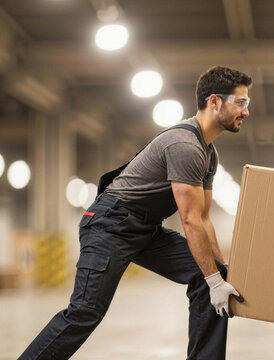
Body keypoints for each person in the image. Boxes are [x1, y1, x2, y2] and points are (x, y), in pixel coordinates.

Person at [19, 65, 251, 360]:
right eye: (240, 102)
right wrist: (214, 280)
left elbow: (204, 218)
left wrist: (219, 274)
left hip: (145, 230)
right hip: (110, 225)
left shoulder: (208, 153)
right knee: (84, 312)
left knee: (210, 277)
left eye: (248, 104)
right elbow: (190, 220)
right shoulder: (185, 146)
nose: (246, 111)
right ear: (215, 101)